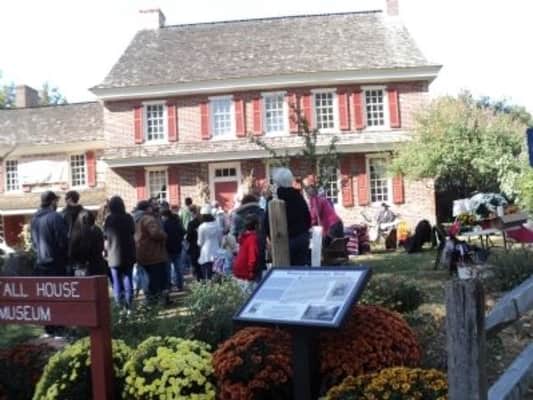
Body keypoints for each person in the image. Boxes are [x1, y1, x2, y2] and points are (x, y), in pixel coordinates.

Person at [31, 191, 68, 337]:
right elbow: (63, 241)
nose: (57, 203)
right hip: (56, 263)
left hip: (41, 262)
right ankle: (59, 328)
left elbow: (34, 242)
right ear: (52, 201)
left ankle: (49, 328)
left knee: (46, 297)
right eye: (56, 201)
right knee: (59, 296)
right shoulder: (55, 217)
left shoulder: (34, 218)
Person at [265, 168, 311, 266]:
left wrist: (271, 238)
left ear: (277, 182)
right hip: (301, 238)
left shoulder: (273, 199)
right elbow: (307, 218)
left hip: (281, 240)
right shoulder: (298, 196)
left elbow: (266, 223)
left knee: (283, 271)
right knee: (300, 270)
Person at [104, 196, 136, 310]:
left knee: (116, 281)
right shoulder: (128, 217)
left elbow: (106, 235)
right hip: (128, 252)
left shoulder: (109, 219)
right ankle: (129, 306)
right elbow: (133, 231)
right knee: (128, 279)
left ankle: (120, 306)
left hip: (114, 253)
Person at [134, 200, 168, 304]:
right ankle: (156, 299)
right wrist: (164, 235)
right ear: (147, 208)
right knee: (156, 278)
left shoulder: (135, 218)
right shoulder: (148, 219)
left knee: (147, 278)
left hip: (141, 252)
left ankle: (150, 298)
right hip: (153, 253)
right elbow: (155, 233)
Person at [231, 194, 266, 276]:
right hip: (261, 244)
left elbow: (234, 232)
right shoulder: (261, 213)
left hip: (244, 245)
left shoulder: (237, 215)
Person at [69, 210, 106, 276]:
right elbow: (101, 247)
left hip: (81, 266)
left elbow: (72, 251)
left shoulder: (76, 232)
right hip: (97, 264)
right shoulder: (97, 230)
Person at [233, 214, 260, 293]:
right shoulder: (252, 238)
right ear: (256, 225)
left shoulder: (244, 237)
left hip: (238, 271)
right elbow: (252, 257)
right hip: (246, 274)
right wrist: (251, 271)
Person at [161, 208, 186, 291]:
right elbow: (183, 232)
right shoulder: (177, 222)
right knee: (178, 269)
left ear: (165, 216)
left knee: (168, 270)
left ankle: (169, 287)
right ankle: (180, 285)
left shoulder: (164, 224)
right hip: (178, 248)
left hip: (168, 249)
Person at [197, 204, 223, 281]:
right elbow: (220, 240)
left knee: (207, 276)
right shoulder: (217, 225)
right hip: (216, 252)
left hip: (206, 253)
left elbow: (200, 242)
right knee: (217, 276)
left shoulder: (202, 227)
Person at [61, 190, 84, 274]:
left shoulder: (63, 214)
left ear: (70, 199)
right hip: (82, 247)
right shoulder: (85, 212)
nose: (65, 200)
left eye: (66, 198)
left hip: (68, 248)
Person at [186, 206, 202, 281]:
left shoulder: (191, 223)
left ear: (193, 213)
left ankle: (198, 279)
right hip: (202, 246)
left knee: (195, 264)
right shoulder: (202, 222)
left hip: (194, 246)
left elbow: (189, 236)